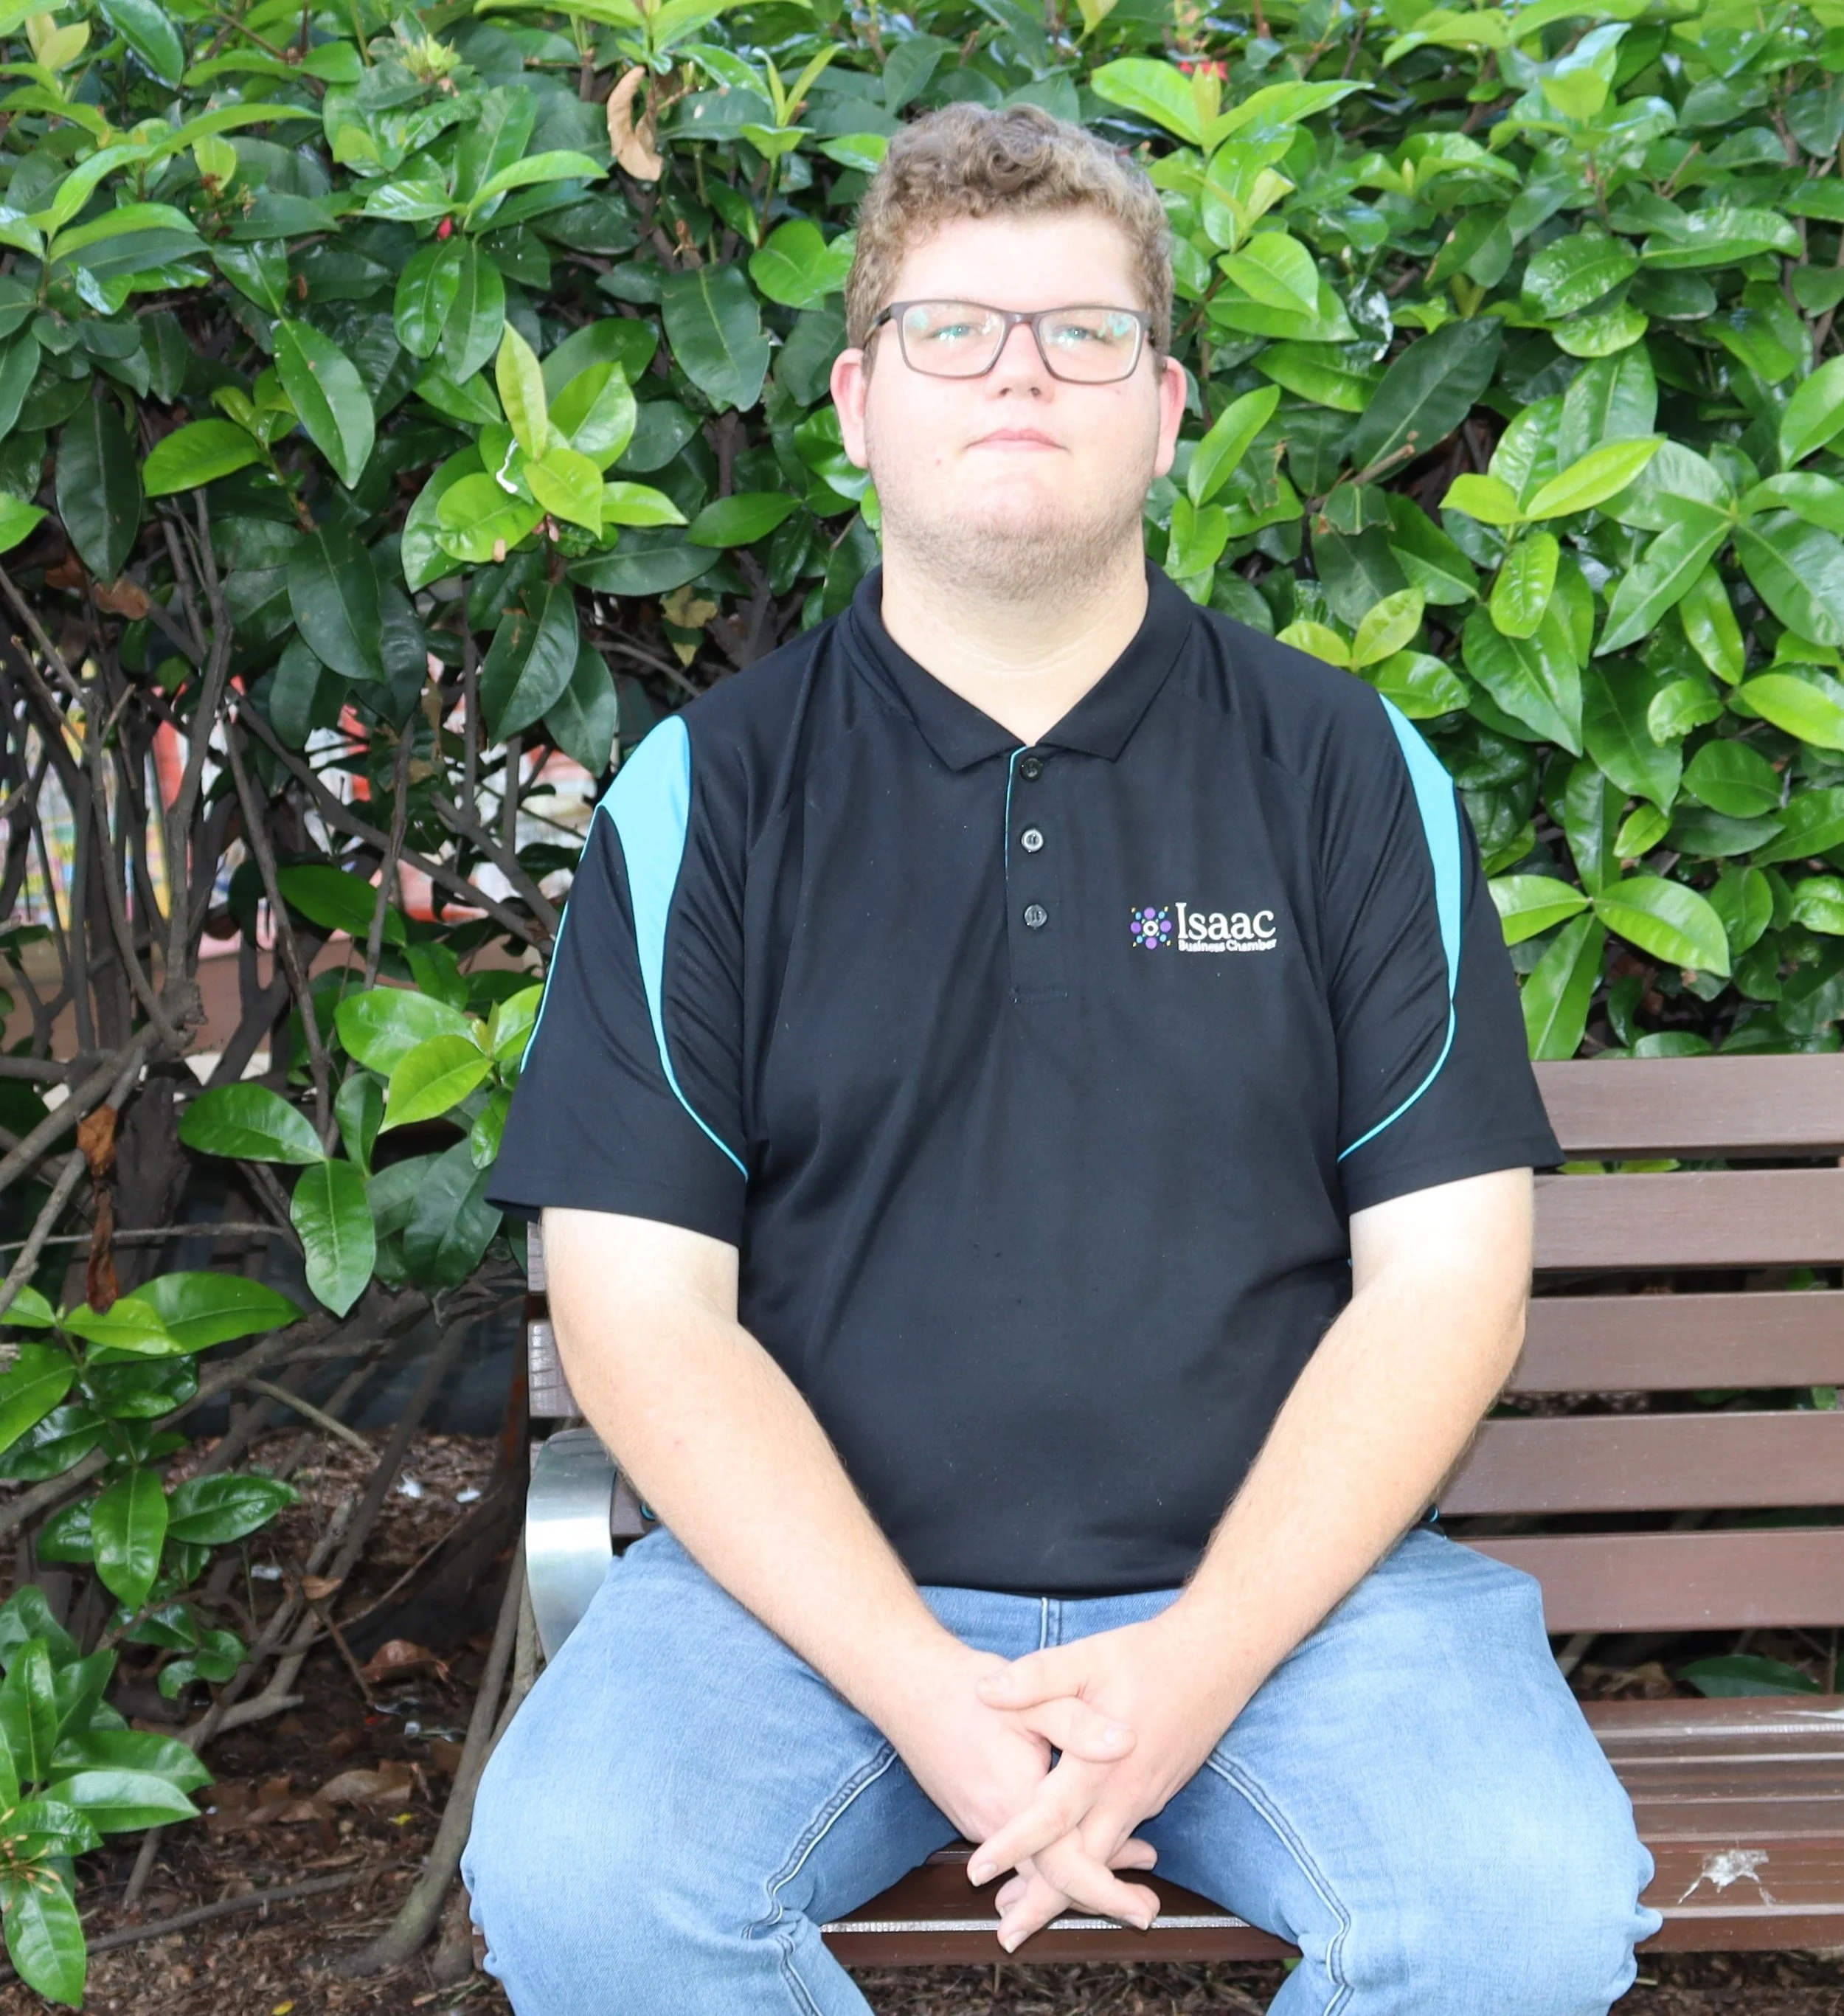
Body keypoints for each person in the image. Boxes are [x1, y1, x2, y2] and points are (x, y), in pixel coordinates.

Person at [465, 100, 1661, 2016]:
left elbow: (1445, 1286)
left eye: (1080, 332)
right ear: (856, 402)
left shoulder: (1346, 773)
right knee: (592, 1882)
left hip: (1297, 1600)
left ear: (1166, 404)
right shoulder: (709, 794)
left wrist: (1194, 1661)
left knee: (1516, 1910)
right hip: (805, 1606)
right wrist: (921, 1685)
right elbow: (640, 1312)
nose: (1018, 370)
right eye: (954, 328)